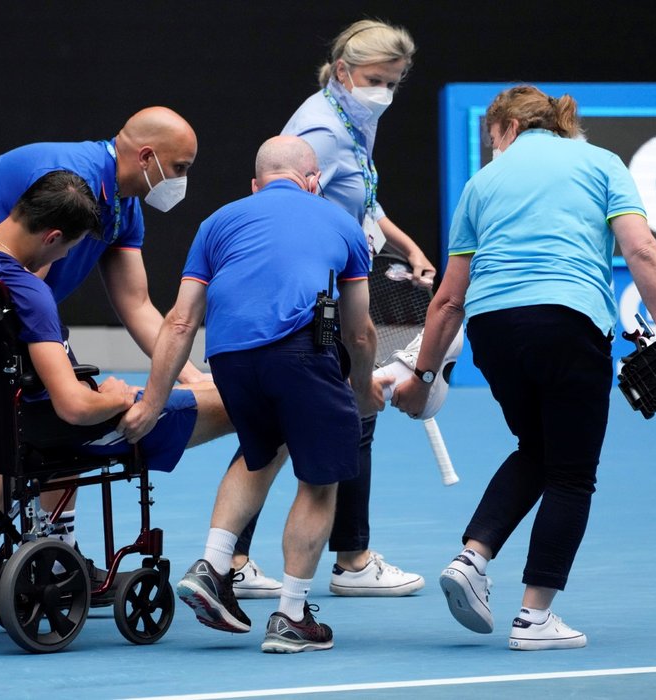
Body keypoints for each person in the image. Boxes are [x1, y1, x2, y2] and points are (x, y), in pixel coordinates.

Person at [392, 85, 656, 651]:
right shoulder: (602, 163)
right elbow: (641, 250)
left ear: (509, 129)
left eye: (490, 138)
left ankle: (473, 556)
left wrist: (422, 378)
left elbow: (450, 299)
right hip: (568, 322)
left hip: (495, 331)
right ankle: (534, 618)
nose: (490, 148)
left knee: (538, 449)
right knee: (572, 473)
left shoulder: (481, 184)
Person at [0, 107, 209, 617]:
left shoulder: (125, 206)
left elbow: (138, 305)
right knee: (38, 409)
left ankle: (54, 560)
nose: (181, 180)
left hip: (21, 314)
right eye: (181, 167)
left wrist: (186, 377)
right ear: (147, 156)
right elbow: (9, 259)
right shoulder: (61, 182)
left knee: (56, 395)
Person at [119, 136, 387, 653]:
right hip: (303, 355)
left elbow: (180, 322)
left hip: (230, 359)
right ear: (314, 183)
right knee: (320, 482)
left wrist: (153, 402)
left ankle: (214, 566)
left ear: (255, 185)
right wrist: (360, 391)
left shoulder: (216, 222)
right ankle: (291, 617)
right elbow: (359, 333)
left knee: (260, 450)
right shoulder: (342, 223)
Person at [230, 18, 431, 599]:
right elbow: (283, 208)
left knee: (318, 425)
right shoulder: (321, 129)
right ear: (343, 71)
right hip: (311, 297)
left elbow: (358, 195)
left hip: (327, 285)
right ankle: (350, 560)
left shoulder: (353, 118)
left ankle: (265, 559)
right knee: (342, 419)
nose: (385, 92)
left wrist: (407, 245)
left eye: (395, 81)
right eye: (375, 79)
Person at [0, 170, 233, 476]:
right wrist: (118, 397)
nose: (64, 255)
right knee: (243, 403)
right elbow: (73, 407)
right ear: (52, 237)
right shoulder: (30, 293)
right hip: (40, 432)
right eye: (67, 248)